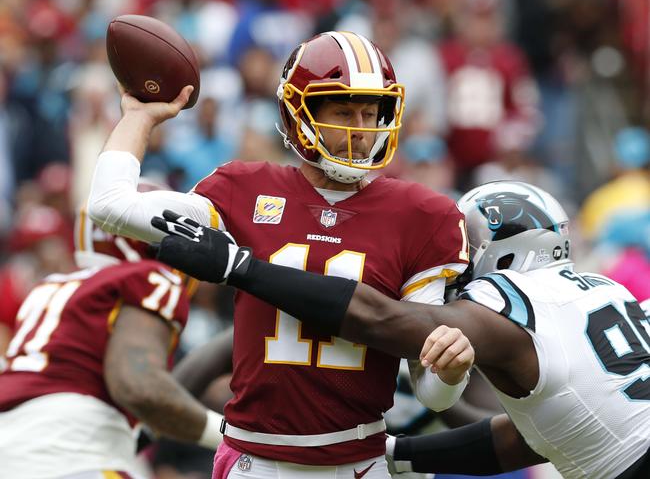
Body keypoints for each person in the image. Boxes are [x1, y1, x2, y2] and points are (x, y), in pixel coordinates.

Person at [87, 31, 474, 478]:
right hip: (254, 460)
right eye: (344, 111)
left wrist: (450, 371)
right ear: (299, 114)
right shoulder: (242, 189)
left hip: (357, 461)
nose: (361, 128)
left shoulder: (423, 215)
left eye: (371, 112)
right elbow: (109, 206)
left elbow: (432, 393)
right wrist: (139, 117)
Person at [153, 180, 650, 479]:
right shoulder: (606, 290)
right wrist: (392, 454)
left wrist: (242, 268)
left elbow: (382, 320)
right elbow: (527, 438)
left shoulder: (506, 304)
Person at [0, 196, 225, 479]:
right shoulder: (148, 277)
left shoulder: (52, 286)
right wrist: (230, 437)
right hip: (68, 455)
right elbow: (141, 389)